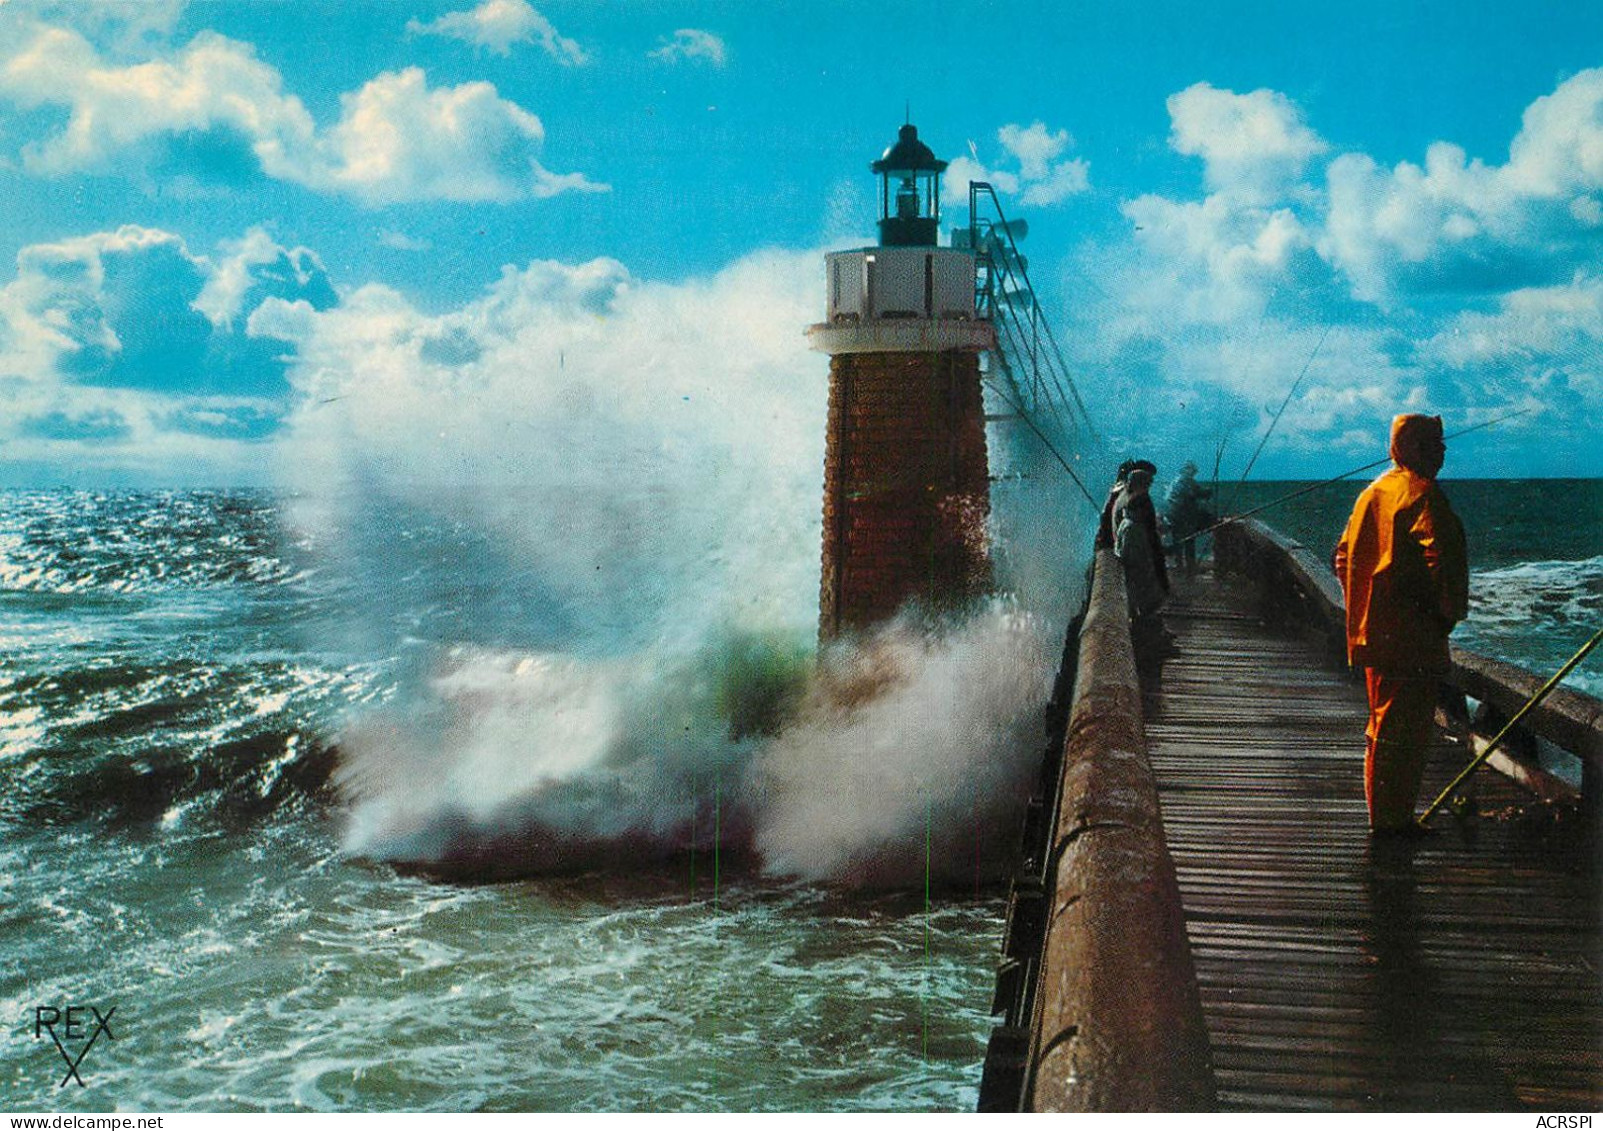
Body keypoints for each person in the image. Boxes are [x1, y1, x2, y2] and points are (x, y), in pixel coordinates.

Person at [1333, 414, 1468, 835]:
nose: (1444, 451)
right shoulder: (1423, 495)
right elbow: (1442, 564)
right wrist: (1446, 616)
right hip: (1412, 637)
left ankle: (1385, 817)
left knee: (1380, 728)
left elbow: (1342, 557)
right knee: (1405, 732)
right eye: (1435, 443)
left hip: (1373, 635)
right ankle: (1393, 823)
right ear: (1414, 448)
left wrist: (1364, 607)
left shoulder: (1372, 492)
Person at [1113, 465, 1170, 637]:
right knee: (1146, 589)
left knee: (1140, 590)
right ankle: (1148, 631)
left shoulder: (1127, 508)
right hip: (1138, 559)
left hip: (1134, 555)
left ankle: (1145, 625)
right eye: (1148, 483)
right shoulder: (1137, 514)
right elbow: (1147, 533)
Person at [1163, 461, 1214, 572]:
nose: (1193, 473)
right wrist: (1210, 491)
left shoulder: (1174, 482)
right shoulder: (1187, 481)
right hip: (1185, 518)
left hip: (1173, 517)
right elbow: (1199, 493)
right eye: (1192, 471)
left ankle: (1179, 565)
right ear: (1187, 470)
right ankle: (1190, 567)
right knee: (1189, 541)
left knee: (1178, 542)